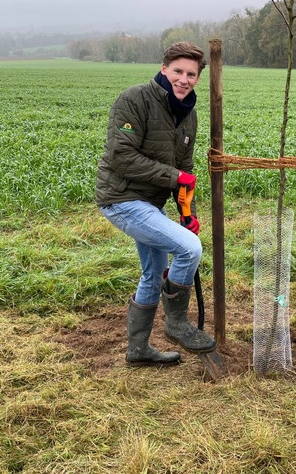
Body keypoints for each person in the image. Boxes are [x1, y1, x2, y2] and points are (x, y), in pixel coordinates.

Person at [95, 41, 215, 367]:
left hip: (151, 204)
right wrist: (176, 178)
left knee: (152, 275)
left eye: (191, 74)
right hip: (122, 199)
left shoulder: (189, 115)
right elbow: (122, 157)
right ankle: (176, 323)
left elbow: (185, 170)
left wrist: (186, 212)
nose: (183, 79)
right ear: (164, 69)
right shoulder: (134, 99)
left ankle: (138, 351)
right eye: (178, 71)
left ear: (197, 78)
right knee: (190, 249)